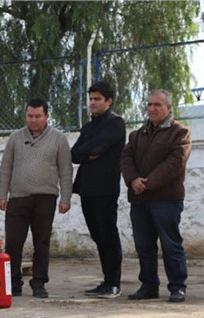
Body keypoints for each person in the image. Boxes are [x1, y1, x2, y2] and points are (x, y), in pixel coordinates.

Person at [120, 89, 191, 302]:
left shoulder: (180, 132)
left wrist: (147, 183)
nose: (151, 109)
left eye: (157, 105)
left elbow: (175, 163)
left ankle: (177, 286)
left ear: (169, 108)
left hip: (166, 199)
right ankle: (149, 285)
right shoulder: (137, 134)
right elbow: (126, 158)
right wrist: (133, 180)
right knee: (144, 245)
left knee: (171, 244)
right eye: (149, 104)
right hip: (140, 200)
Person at [0, 98, 73, 298]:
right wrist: (2, 195)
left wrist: (66, 198)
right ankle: (13, 282)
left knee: (42, 242)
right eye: (30, 116)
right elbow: (6, 168)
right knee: (13, 241)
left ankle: (39, 283)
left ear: (47, 116)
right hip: (18, 198)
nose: (34, 120)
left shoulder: (59, 139)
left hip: (45, 198)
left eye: (38, 116)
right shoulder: (15, 137)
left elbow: (66, 170)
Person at [71, 81, 126, 299]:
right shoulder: (89, 126)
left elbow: (96, 148)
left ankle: (114, 283)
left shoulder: (116, 123)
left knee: (108, 235)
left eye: (97, 99)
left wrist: (91, 150)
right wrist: (90, 152)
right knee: (97, 235)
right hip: (87, 189)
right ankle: (106, 280)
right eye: (91, 99)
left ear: (108, 101)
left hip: (105, 188)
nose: (92, 103)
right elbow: (75, 154)